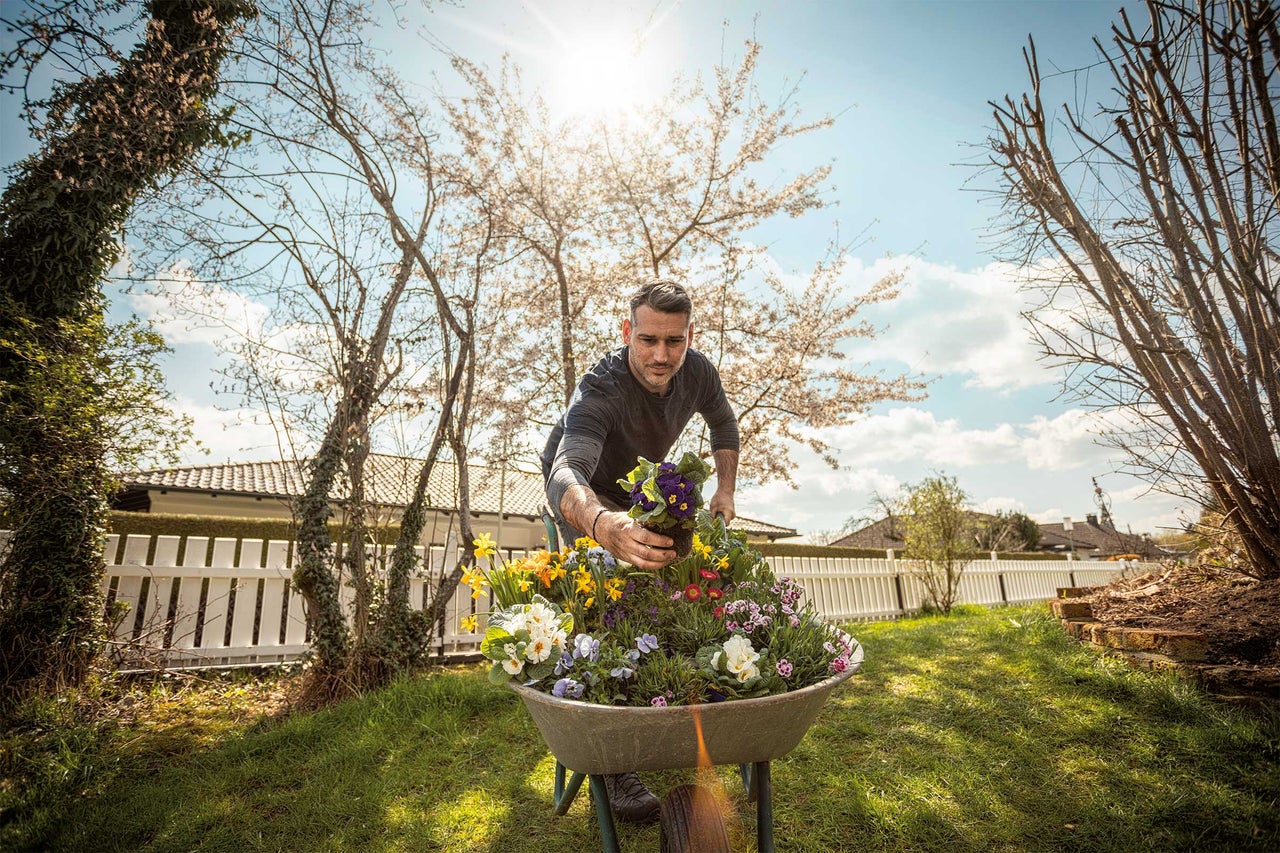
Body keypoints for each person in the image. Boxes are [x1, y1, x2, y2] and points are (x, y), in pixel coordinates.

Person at [540, 278, 740, 823]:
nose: (661, 355)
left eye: (673, 342)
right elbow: (566, 472)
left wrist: (724, 490)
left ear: (688, 337)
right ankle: (611, 763)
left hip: (637, 490)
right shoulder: (601, 386)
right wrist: (602, 524)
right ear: (627, 331)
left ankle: (675, 702)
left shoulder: (696, 371)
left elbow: (723, 423)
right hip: (582, 499)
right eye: (648, 339)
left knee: (673, 590)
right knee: (599, 611)